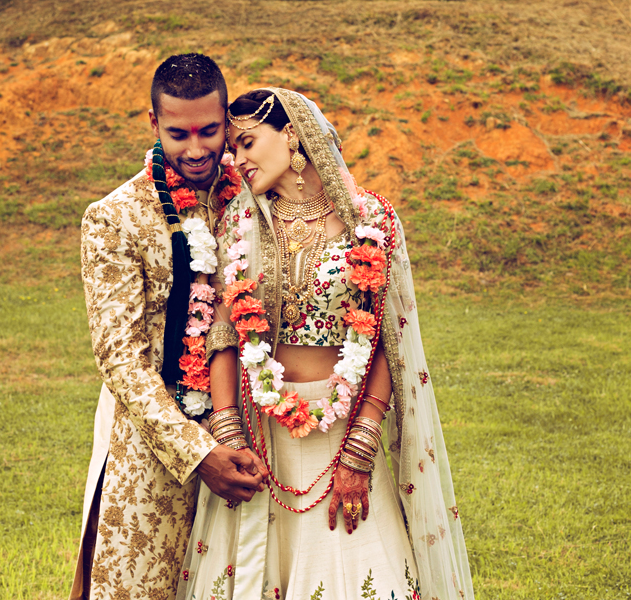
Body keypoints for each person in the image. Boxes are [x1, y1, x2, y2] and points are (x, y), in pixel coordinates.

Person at [176, 88, 475, 600]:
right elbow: (223, 334)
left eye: (247, 143)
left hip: (343, 432)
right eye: (233, 149)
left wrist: (360, 448)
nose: (237, 161)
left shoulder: (370, 221)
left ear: (292, 134)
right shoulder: (239, 224)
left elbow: (386, 339)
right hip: (260, 437)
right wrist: (227, 432)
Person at [71, 54, 267, 600]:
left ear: (228, 120)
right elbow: (120, 359)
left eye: (210, 130)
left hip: (251, 439)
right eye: (179, 133)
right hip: (151, 454)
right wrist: (198, 454)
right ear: (154, 124)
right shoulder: (116, 217)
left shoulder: (255, 198)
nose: (197, 148)